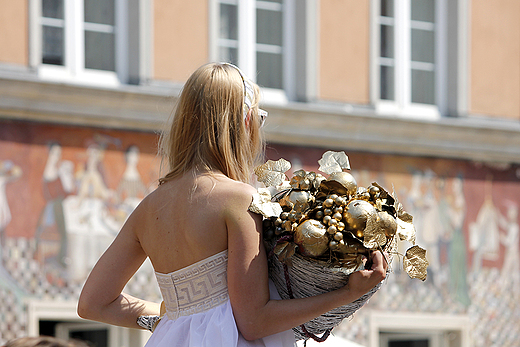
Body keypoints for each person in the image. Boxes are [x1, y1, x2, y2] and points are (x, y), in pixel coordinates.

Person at [77, 62, 388, 346]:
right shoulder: (239, 198)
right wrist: (347, 293)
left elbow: (93, 303)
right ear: (245, 121)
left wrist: (175, 317)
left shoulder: (147, 208)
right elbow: (253, 322)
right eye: (259, 118)